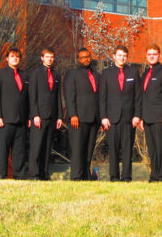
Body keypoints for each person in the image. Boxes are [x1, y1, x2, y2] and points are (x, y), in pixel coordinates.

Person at [99, 45, 141, 181]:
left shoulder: (133, 72)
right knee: (113, 149)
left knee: (127, 149)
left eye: (124, 55)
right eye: (119, 55)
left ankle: (127, 177)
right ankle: (114, 176)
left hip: (129, 119)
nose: (122, 58)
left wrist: (137, 115)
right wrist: (103, 117)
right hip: (111, 118)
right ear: (114, 56)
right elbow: (102, 97)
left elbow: (138, 96)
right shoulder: (106, 73)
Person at [0, 47, 30, 180]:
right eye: (12, 56)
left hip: (21, 120)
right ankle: (1, 176)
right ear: (7, 58)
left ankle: (19, 175)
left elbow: (27, 98)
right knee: (3, 151)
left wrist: (28, 117)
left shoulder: (24, 75)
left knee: (19, 151)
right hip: (5, 120)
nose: (15, 58)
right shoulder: (0, 74)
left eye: (17, 57)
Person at [139, 44, 162, 182]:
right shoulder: (145, 73)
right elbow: (143, 97)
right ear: (146, 56)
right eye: (149, 54)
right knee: (152, 149)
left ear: (159, 55)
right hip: (147, 118)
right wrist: (141, 117)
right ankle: (154, 176)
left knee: (161, 149)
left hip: (160, 117)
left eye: (154, 54)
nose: (152, 56)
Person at [64, 48, 100, 181]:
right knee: (78, 149)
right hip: (78, 118)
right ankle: (76, 177)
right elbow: (69, 95)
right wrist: (73, 114)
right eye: (83, 57)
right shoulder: (72, 74)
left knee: (88, 150)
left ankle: (86, 176)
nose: (86, 59)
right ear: (79, 59)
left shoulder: (96, 75)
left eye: (88, 56)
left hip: (94, 119)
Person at [28, 47, 63, 180]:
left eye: (52, 57)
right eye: (47, 56)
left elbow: (58, 97)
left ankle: (44, 173)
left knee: (48, 146)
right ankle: (34, 174)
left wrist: (59, 116)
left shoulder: (56, 75)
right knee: (37, 146)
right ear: (42, 58)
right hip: (39, 116)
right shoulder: (36, 74)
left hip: (52, 116)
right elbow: (33, 96)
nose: (50, 59)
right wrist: (35, 114)